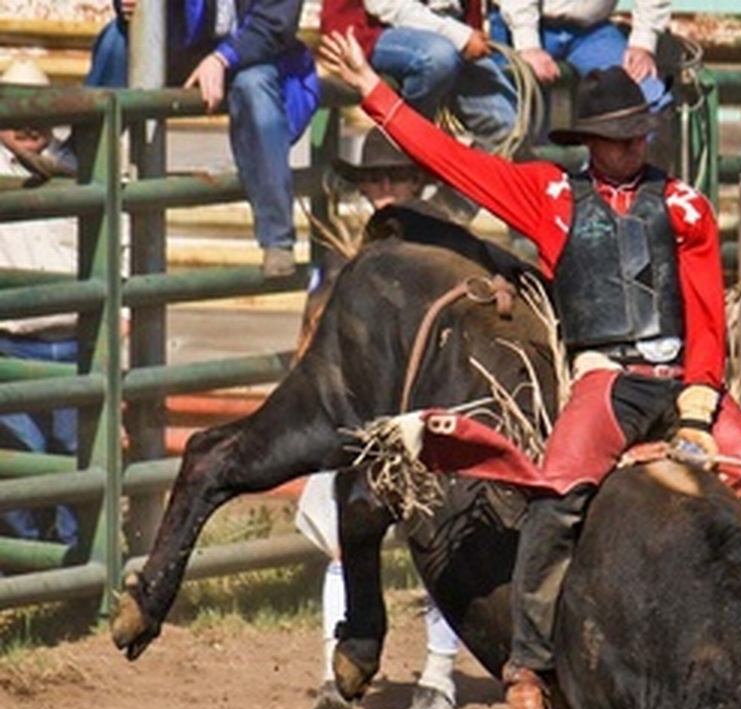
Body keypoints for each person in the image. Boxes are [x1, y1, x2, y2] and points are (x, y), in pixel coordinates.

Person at [319, 29, 741, 709]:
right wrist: (376, 95)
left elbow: (705, 310)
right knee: (554, 503)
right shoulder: (550, 195)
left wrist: (698, 401)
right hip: (605, 379)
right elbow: (456, 163)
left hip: (680, 381)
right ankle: (528, 669)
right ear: (594, 140)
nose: (633, 148)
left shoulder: (684, 206)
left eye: (638, 135)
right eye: (621, 138)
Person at [298, 128, 465, 709]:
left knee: (438, 545)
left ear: (416, 181)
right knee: (345, 544)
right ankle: (333, 674)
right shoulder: (342, 261)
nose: (384, 189)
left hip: (422, 417)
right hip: (355, 419)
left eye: (395, 177)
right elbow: (311, 341)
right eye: (376, 180)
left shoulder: (446, 253)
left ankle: (439, 675)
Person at [84, 0, 319, 278]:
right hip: (180, 45)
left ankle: (277, 238)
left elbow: (274, 24)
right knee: (115, 42)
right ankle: (81, 155)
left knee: (255, 88)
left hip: (251, 52)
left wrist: (222, 58)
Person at [0, 59, 81, 549]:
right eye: (16, 109)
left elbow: (123, 247)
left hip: (76, 342)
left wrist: (123, 317)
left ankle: (73, 575)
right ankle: (31, 565)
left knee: (75, 464)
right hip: (13, 344)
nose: (29, 123)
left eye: (39, 110)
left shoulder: (79, 166)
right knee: (19, 463)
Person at [320, 0, 518, 155]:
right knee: (436, 57)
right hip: (371, 29)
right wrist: (460, 36)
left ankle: (450, 204)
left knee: (509, 127)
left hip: (450, 33)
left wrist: (465, 33)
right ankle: (410, 140)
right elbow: (385, 4)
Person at [488, 0, 669, 111]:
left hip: (591, 30)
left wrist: (643, 42)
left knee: (647, 97)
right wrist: (528, 44)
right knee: (508, 115)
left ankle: (603, 170)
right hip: (519, 23)